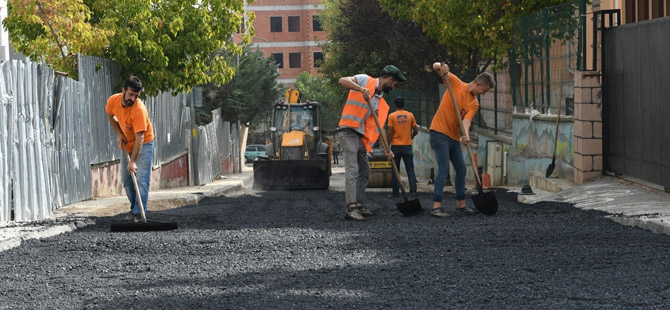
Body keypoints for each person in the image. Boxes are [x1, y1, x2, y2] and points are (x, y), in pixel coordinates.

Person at [338, 65, 406, 221]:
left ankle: (360, 204)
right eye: (395, 84)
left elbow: (379, 127)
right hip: (348, 130)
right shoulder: (364, 80)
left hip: (360, 135)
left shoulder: (380, 102)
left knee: (365, 170)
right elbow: (342, 80)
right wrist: (361, 89)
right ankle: (352, 207)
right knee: (353, 169)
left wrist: (387, 149)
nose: (394, 88)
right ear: (389, 79)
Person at [429, 62, 495, 218]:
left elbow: (467, 121)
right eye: (484, 90)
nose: (484, 94)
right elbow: (435, 66)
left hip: (453, 137)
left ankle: (461, 205)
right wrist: (441, 67)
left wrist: (465, 134)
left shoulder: (474, 103)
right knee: (444, 167)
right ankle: (436, 206)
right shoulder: (456, 83)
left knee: (461, 169)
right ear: (478, 84)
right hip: (438, 132)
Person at [105, 76, 155, 222]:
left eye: (136, 96)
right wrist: (119, 133)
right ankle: (135, 211)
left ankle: (138, 213)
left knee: (141, 179)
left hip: (144, 144)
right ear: (123, 90)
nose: (132, 99)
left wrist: (133, 161)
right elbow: (110, 115)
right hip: (127, 144)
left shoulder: (139, 110)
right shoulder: (113, 101)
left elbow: (140, 138)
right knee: (127, 181)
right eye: (130, 94)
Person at [386, 97, 418, 198]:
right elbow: (416, 130)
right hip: (407, 146)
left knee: (395, 170)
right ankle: (413, 191)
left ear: (395, 105)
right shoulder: (410, 115)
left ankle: (395, 193)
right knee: (410, 169)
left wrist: (387, 145)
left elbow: (390, 132)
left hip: (396, 146)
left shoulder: (392, 116)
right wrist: (411, 136)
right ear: (404, 105)